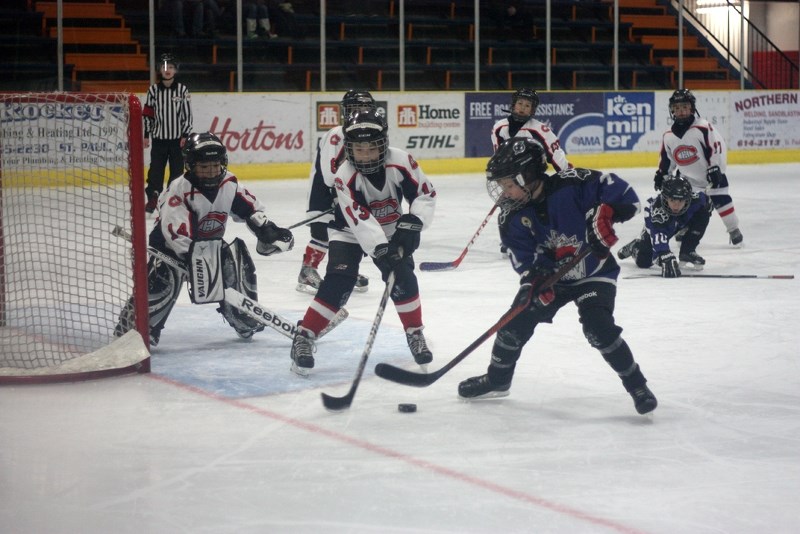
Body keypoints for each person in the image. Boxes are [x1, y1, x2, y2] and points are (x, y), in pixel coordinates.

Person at [457, 137, 657, 416]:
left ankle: (637, 386)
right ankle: (498, 379)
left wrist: (605, 215)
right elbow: (524, 260)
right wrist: (534, 280)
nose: (505, 193)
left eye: (509, 184)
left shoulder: (572, 185)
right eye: (502, 186)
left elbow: (627, 198)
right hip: (552, 278)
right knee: (513, 325)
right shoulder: (511, 217)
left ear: (528, 175)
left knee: (598, 328)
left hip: (593, 273)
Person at [289, 109, 437, 377]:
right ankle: (304, 335)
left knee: (402, 276)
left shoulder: (401, 160)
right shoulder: (344, 175)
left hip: (392, 229)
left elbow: (425, 193)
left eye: (372, 148)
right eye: (359, 149)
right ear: (349, 148)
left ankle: (415, 333)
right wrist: (381, 250)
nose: (366, 155)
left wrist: (413, 222)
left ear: (383, 144)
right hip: (348, 231)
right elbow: (359, 221)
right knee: (339, 281)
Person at [115, 132, 295, 346]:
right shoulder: (178, 190)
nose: (211, 173)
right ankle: (137, 325)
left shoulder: (229, 184)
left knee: (235, 258)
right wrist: (196, 262)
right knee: (164, 276)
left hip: (210, 248)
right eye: (204, 167)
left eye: (215, 166)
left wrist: (266, 229)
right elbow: (176, 234)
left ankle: (241, 314)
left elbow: (250, 209)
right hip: (170, 249)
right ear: (190, 166)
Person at [296, 89, 376, 295]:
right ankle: (308, 270)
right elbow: (328, 175)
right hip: (324, 191)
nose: (360, 112)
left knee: (348, 233)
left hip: (348, 191)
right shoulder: (336, 134)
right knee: (322, 231)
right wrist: (337, 192)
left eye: (365, 107)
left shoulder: (371, 134)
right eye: (355, 108)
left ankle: (343, 271)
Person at [655, 89, 743, 246]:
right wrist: (662, 173)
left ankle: (733, 229)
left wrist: (714, 168)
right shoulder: (668, 135)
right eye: (677, 108)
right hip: (688, 180)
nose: (681, 111)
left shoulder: (702, 127)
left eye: (685, 107)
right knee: (684, 203)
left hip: (710, 174)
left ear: (692, 108)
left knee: (721, 200)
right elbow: (667, 158)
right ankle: (685, 226)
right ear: (672, 110)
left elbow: (713, 148)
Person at [491, 87, 571, 255]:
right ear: (513, 105)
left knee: (540, 207)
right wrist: (506, 182)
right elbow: (499, 158)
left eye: (528, 105)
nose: (522, 107)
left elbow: (556, 156)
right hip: (513, 181)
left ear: (533, 109)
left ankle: (544, 235)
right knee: (508, 206)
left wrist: (569, 179)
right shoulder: (500, 128)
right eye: (520, 103)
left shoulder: (540, 130)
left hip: (534, 180)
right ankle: (510, 239)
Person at [617, 174, 712, 276]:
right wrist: (664, 254)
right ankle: (635, 246)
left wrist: (708, 205)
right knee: (644, 262)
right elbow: (658, 236)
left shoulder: (696, 200)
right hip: (657, 229)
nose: (676, 205)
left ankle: (687, 251)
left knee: (703, 212)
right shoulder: (658, 213)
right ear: (665, 198)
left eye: (680, 201)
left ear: (688, 198)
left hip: (677, 222)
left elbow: (705, 201)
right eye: (672, 200)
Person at [143, 53, 193, 214]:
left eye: (170, 67)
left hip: (178, 140)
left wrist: (185, 135)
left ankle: (173, 200)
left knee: (177, 172)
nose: (167, 70)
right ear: (160, 70)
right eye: (164, 67)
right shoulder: (153, 90)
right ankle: (153, 197)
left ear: (175, 70)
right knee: (155, 170)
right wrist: (146, 135)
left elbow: (187, 115)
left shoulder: (182, 90)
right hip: (158, 139)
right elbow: (148, 114)